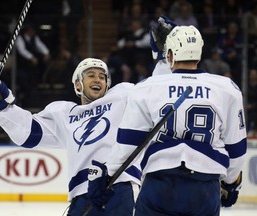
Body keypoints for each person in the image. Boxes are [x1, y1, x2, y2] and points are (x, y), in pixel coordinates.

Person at [87, 25, 247, 215]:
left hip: (159, 184)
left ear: (169, 55)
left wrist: (107, 176)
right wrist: (230, 184)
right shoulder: (226, 88)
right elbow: (236, 148)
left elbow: (128, 142)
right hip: (205, 187)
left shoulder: (147, 87)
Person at [0, 58, 141, 216]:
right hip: (81, 196)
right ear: (78, 84)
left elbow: (154, 94)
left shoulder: (122, 96)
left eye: (102, 77)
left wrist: (163, 54)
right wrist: (1, 105)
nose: (97, 80)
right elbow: (28, 132)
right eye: (91, 75)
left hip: (119, 187)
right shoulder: (64, 114)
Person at [15, 23, 51, 106]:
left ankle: (32, 100)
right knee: (24, 83)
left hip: (31, 68)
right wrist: (31, 57)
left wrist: (46, 53)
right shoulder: (20, 38)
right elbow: (22, 51)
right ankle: (23, 101)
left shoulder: (34, 38)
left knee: (33, 81)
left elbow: (40, 46)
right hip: (22, 66)